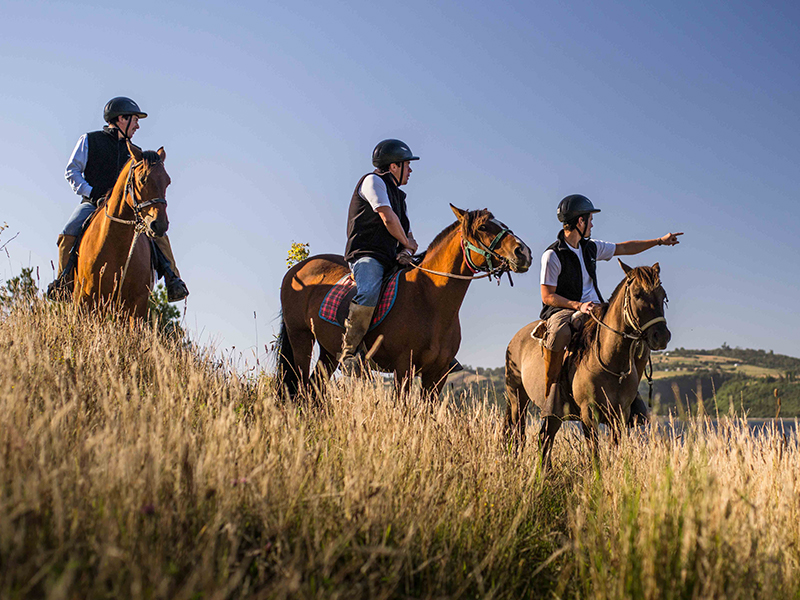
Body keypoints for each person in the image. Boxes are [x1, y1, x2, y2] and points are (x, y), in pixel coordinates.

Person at [538, 194, 682, 419]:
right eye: (590, 219)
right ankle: (553, 391)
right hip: (564, 309)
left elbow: (625, 248)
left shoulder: (592, 248)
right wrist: (577, 305)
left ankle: (631, 396)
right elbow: (547, 296)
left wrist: (659, 241)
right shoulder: (552, 255)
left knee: (639, 340)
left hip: (596, 309)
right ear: (579, 222)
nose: (592, 223)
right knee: (558, 334)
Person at [51, 96, 188, 302]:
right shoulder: (89, 140)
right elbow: (72, 172)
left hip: (130, 208)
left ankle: (173, 279)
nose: (138, 125)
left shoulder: (136, 154)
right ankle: (63, 284)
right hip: (92, 204)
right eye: (135, 119)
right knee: (68, 233)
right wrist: (91, 192)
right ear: (121, 119)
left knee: (158, 233)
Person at [339, 139, 420, 366]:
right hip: (366, 256)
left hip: (390, 259)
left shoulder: (400, 199)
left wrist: (406, 250)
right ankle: (349, 353)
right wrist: (405, 242)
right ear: (393, 166)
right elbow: (387, 218)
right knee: (369, 292)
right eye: (407, 164)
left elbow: (409, 236)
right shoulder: (372, 181)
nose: (410, 170)